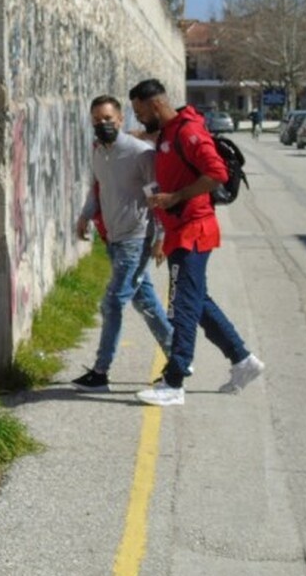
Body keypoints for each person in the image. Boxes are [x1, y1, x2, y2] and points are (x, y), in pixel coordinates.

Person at [127, 79, 265, 406]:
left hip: (193, 231)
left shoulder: (188, 132)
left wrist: (176, 196)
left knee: (182, 307)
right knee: (197, 301)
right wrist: (136, 136)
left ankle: (174, 383)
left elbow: (216, 174)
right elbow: (160, 143)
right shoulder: (169, 131)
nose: (139, 118)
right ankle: (242, 360)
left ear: (156, 105)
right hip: (180, 230)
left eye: (140, 112)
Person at [71, 95, 173, 392]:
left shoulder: (141, 153)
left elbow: (156, 197)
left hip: (137, 237)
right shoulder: (98, 152)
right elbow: (98, 188)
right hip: (114, 238)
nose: (102, 124)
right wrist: (85, 216)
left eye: (108, 119)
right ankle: (179, 358)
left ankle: (101, 372)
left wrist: (161, 237)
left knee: (113, 302)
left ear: (120, 119)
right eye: (96, 120)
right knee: (145, 302)